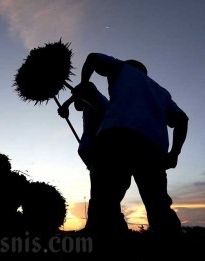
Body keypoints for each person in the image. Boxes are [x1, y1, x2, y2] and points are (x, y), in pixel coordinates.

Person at [58, 53, 189, 243]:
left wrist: (83, 82)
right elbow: (182, 120)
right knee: (158, 206)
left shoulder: (122, 69)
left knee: (104, 202)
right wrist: (174, 153)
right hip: (153, 150)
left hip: (115, 140)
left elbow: (93, 58)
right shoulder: (162, 92)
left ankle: (106, 246)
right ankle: (174, 248)